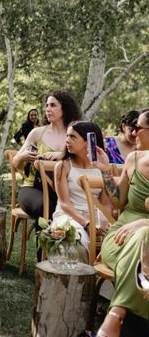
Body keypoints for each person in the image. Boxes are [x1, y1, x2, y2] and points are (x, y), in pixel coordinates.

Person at [96, 108, 149, 337]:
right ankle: (120, 321)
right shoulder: (133, 158)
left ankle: (115, 318)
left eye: (139, 128)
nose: (133, 132)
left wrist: (144, 225)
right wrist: (106, 170)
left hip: (141, 235)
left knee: (144, 237)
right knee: (143, 249)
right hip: (120, 237)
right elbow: (118, 202)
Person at [13, 90, 83, 224]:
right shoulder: (37, 133)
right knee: (45, 207)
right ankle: (45, 244)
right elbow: (16, 163)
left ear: (65, 108)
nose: (47, 109)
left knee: (75, 206)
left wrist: (61, 155)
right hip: (32, 188)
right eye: (47, 106)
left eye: (53, 105)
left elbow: (82, 162)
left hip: (63, 189)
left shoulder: (75, 134)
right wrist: (23, 156)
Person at [53, 121, 112, 253]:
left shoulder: (103, 167)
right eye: (67, 136)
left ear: (88, 141)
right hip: (69, 216)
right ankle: (82, 274)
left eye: (72, 137)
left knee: (116, 241)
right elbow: (64, 204)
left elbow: (106, 203)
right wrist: (87, 223)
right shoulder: (63, 166)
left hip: (97, 217)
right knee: (77, 240)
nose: (67, 140)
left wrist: (103, 223)